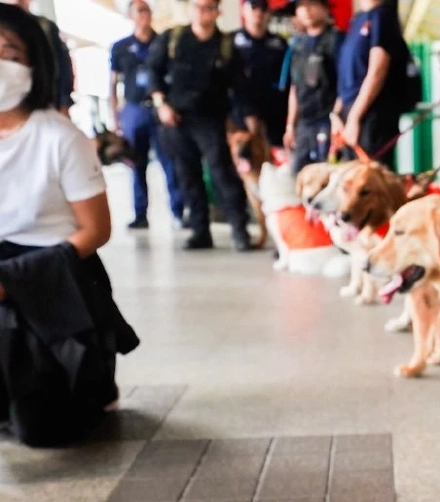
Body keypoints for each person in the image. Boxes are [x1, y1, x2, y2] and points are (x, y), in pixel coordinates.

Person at [0, 4, 138, 447]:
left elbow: (95, 230)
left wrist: (16, 279)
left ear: (33, 64)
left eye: (7, 52)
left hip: (55, 274)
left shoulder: (61, 137)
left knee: (47, 432)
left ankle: (89, 380)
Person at [147, 0, 259, 251]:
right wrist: (161, 103)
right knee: (187, 176)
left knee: (223, 174)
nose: (201, 12)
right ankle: (200, 231)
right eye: (197, 6)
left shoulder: (226, 46)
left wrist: (250, 121)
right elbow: (153, 72)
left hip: (211, 120)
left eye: (207, 7)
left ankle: (239, 230)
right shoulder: (173, 39)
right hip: (176, 119)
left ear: (217, 12)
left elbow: (240, 88)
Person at [109, 0, 185, 230]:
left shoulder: (163, 43)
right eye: (140, 11)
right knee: (136, 162)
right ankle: (140, 213)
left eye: (147, 10)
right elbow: (112, 84)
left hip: (160, 107)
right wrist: (115, 116)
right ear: (131, 16)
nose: (145, 15)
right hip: (134, 109)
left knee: (169, 160)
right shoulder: (120, 47)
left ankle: (178, 211)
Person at [333, 0, 418, 167]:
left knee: (370, 180)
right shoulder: (357, 20)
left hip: (371, 115)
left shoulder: (383, 16)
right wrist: (336, 114)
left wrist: (355, 117)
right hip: (348, 112)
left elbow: (376, 71)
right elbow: (347, 74)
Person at [283, 0, 344, 174]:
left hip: (329, 121)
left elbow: (345, 86)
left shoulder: (336, 41)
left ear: (325, 8)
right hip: (305, 124)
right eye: (301, 6)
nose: (306, 10)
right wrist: (290, 126)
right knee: (299, 175)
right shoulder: (297, 45)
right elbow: (295, 88)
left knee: (328, 174)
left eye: (312, 4)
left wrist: (337, 118)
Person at [233, 0, 288, 146]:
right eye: (253, 7)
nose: (258, 12)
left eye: (263, 8)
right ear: (244, 10)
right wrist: (247, 112)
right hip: (241, 117)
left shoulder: (279, 44)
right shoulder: (232, 43)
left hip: (275, 115)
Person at [6, 0, 71, 112]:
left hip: (44, 103)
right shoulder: (4, 27)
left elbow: (63, 68)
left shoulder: (46, 27)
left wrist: (64, 104)